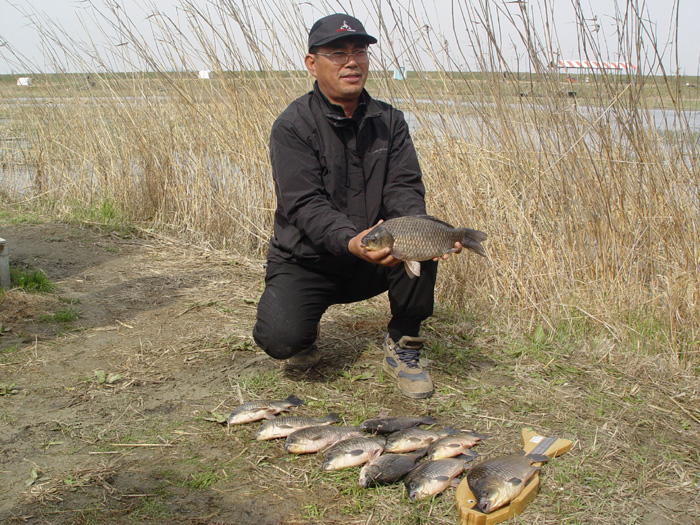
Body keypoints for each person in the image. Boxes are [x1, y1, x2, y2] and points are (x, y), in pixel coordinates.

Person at [252, 13, 462, 399]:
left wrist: (417, 227)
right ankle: (305, 333)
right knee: (281, 338)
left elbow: (403, 187)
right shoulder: (292, 126)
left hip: (376, 255)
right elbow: (304, 204)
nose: (351, 62)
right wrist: (350, 240)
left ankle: (403, 343)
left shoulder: (390, 121)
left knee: (418, 235)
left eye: (359, 52)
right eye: (338, 53)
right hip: (310, 260)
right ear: (312, 63)